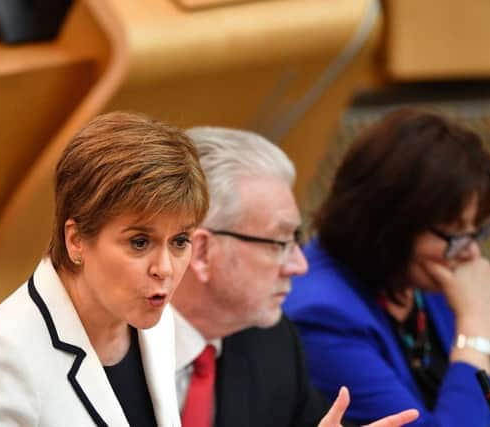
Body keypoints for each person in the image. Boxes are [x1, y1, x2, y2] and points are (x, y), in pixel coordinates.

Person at [0, 112, 210, 426]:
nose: (164, 269)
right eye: (139, 242)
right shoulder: (2, 358)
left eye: (179, 241)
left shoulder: (156, 322)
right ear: (76, 240)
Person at [172, 126, 418, 427]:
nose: (300, 265)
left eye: (296, 239)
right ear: (201, 253)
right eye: (279, 243)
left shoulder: (272, 343)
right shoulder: (109, 350)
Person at [284, 108, 490, 426]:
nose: (471, 251)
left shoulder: (416, 278)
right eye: (454, 232)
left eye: (475, 230)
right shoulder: (320, 314)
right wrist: (474, 333)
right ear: (392, 224)